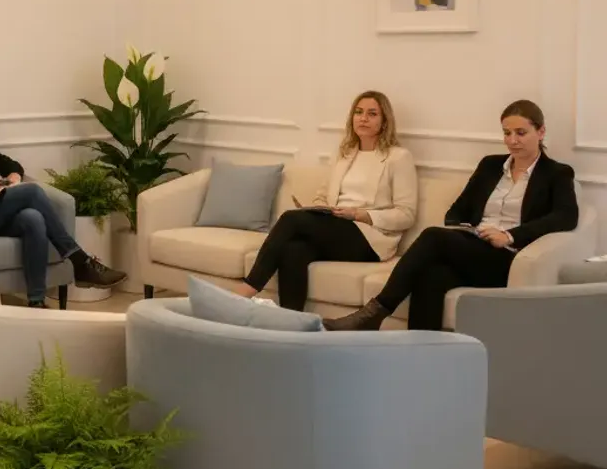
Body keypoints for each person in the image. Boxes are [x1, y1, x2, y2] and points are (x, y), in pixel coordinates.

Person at [325, 100, 578, 331]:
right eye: (507, 133)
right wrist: (470, 230)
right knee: (431, 276)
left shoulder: (556, 173)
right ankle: (421, 357)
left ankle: (375, 312)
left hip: (507, 258)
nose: (512, 140)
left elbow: (566, 217)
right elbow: (456, 211)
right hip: (474, 246)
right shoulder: (490, 165)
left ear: (541, 132)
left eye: (521, 133)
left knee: (433, 237)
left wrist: (509, 236)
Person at [0, 89, 127, 308]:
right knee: (33, 192)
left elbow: (12, 165)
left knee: (33, 218)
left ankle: (36, 301)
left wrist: (13, 178)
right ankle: (80, 261)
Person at [236, 91, 418, 311]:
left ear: (384, 121)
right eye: (358, 112)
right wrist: (319, 208)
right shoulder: (345, 153)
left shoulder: (398, 157)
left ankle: (247, 290)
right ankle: (291, 320)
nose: (363, 118)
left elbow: (406, 214)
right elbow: (323, 195)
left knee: (290, 220)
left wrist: (359, 214)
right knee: (294, 249)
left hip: (370, 238)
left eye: (372, 114)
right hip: (337, 225)